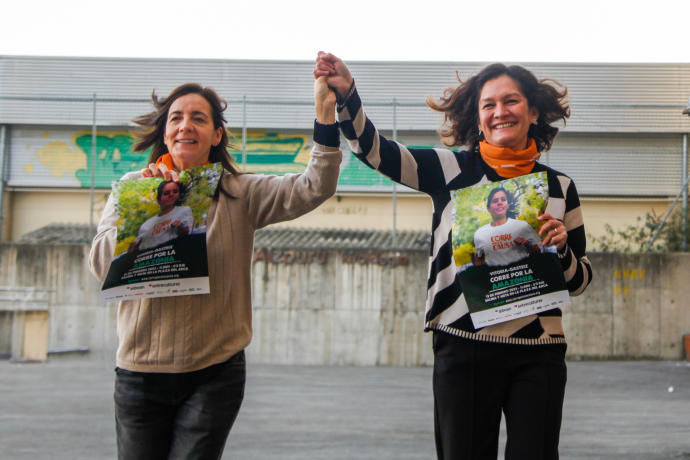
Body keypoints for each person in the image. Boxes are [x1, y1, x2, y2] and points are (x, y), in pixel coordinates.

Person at [315, 52, 592, 460]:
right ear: (478, 118)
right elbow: (374, 150)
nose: (500, 112)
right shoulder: (450, 169)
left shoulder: (560, 188)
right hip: (464, 347)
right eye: (489, 105)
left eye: (511, 101)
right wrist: (347, 94)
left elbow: (581, 278)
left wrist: (563, 250)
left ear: (533, 111)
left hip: (539, 352)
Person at [89, 78, 341, 459]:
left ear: (217, 134)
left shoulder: (242, 192)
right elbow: (100, 265)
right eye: (176, 118)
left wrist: (325, 114)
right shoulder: (130, 188)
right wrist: (146, 209)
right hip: (140, 375)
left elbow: (314, 187)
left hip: (214, 373)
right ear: (165, 132)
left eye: (198, 118)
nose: (185, 125)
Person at [473, 187, 542, 267]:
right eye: (495, 201)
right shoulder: (480, 233)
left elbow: (538, 252)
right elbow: (479, 260)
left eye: (503, 199)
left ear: (508, 205)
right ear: (489, 209)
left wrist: (527, 243)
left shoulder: (522, 226)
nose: (500, 202)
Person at [128, 180, 193, 253]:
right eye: (166, 193)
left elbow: (188, 233)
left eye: (175, 191)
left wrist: (180, 227)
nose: (171, 194)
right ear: (159, 200)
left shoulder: (184, 211)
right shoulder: (146, 224)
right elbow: (135, 247)